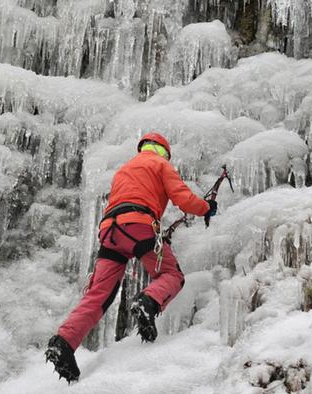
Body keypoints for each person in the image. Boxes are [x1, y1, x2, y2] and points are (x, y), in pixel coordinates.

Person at [45, 132, 217, 382]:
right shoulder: (161, 164)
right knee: (172, 275)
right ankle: (148, 302)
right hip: (138, 225)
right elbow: (184, 199)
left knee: (99, 295)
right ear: (164, 152)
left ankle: (63, 343)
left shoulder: (125, 170)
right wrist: (206, 207)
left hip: (110, 231)